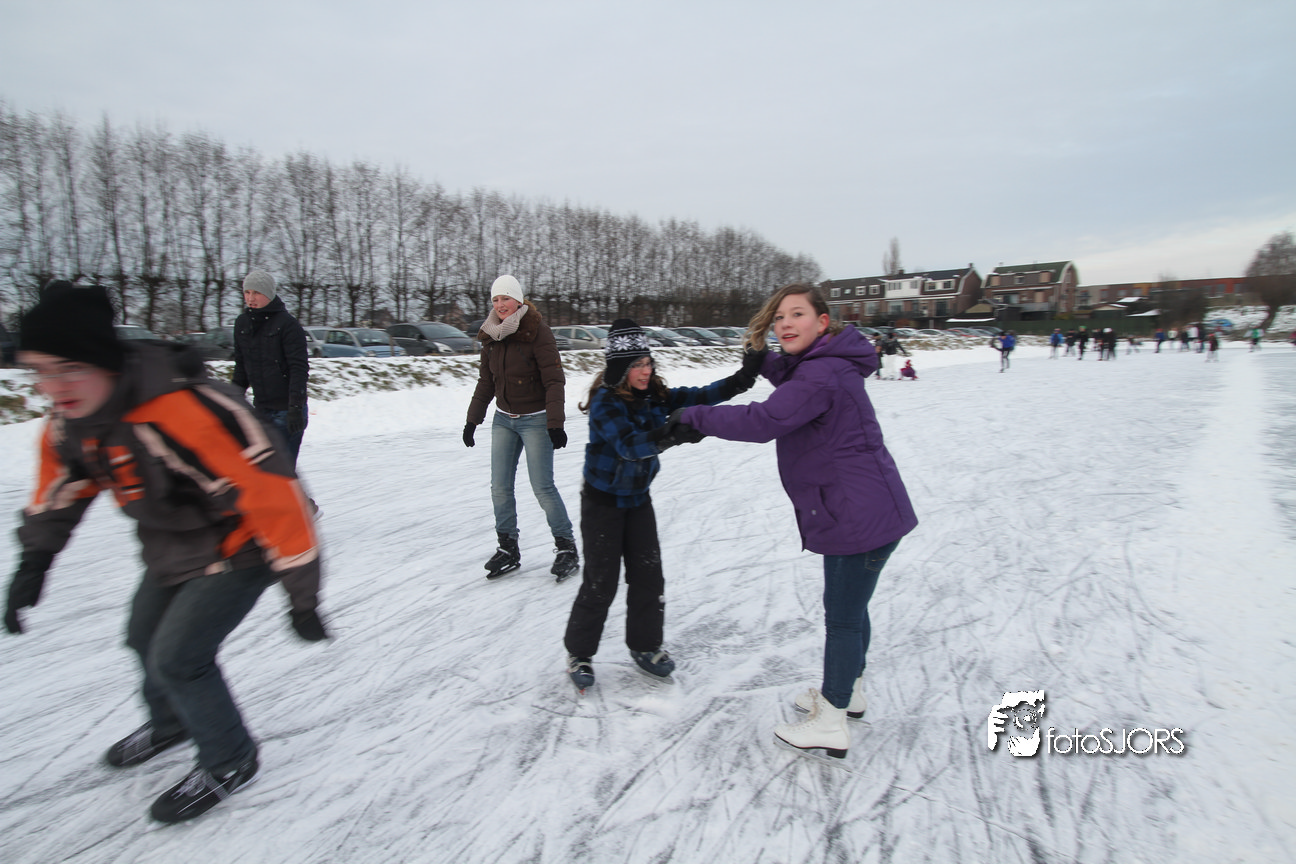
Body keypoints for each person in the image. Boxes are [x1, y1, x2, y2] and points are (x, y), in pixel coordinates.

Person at [5, 281, 327, 824]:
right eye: (41, 372)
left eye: (68, 369)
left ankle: (231, 758)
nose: (54, 387)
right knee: (141, 637)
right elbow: (59, 491)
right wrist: (33, 561)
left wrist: (302, 596)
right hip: (172, 548)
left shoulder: (177, 410)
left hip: (242, 545)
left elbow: (273, 494)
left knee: (179, 657)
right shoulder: (71, 422)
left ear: (102, 360)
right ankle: (173, 721)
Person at [679, 284, 918, 759]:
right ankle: (850, 693)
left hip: (856, 514)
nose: (785, 324)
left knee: (843, 618)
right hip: (860, 508)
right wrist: (762, 361)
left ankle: (831, 718)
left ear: (822, 322)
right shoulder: (824, 365)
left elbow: (766, 420)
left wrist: (694, 417)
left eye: (797, 314)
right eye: (779, 317)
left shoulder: (823, 374)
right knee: (852, 610)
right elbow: (794, 380)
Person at [562, 319, 764, 690]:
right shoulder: (606, 401)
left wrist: (743, 378)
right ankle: (579, 652)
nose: (646, 371)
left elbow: (700, 396)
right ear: (620, 368)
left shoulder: (654, 393)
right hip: (603, 503)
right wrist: (670, 435)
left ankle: (645, 645)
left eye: (648, 363)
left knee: (648, 576)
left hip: (638, 499)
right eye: (637, 365)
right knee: (601, 582)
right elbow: (628, 445)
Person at [463, 275, 577, 581]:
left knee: (542, 487)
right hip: (504, 419)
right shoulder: (490, 334)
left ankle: (566, 548)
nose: (500, 304)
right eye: (495, 299)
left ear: (518, 300)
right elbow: (486, 382)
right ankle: (508, 548)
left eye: (505, 298)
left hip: (536, 419)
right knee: (499, 487)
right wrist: (472, 420)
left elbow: (554, 379)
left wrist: (555, 423)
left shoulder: (537, 331)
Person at [231, 269, 310, 468]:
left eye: (256, 293)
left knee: (281, 472)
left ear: (269, 294)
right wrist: (232, 400)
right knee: (260, 470)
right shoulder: (242, 324)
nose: (251, 298)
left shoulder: (288, 325)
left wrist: (295, 407)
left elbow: (298, 368)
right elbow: (241, 367)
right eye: (247, 292)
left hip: (286, 411)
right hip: (261, 409)